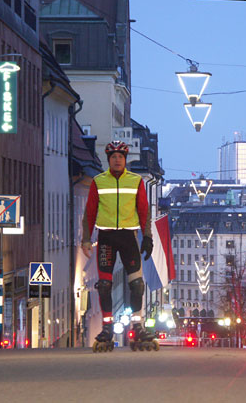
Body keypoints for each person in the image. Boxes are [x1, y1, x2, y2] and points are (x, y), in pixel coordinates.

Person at [81, 140, 153, 347]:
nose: (117, 160)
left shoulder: (136, 181)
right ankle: (107, 327)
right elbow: (90, 212)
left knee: (136, 284)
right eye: (113, 157)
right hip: (106, 238)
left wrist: (147, 237)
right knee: (104, 285)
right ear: (108, 160)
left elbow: (144, 211)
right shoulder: (98, 181)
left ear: (125, 159)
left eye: (120, 157)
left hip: (129, 237)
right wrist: (86, 239)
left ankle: (137, 326)